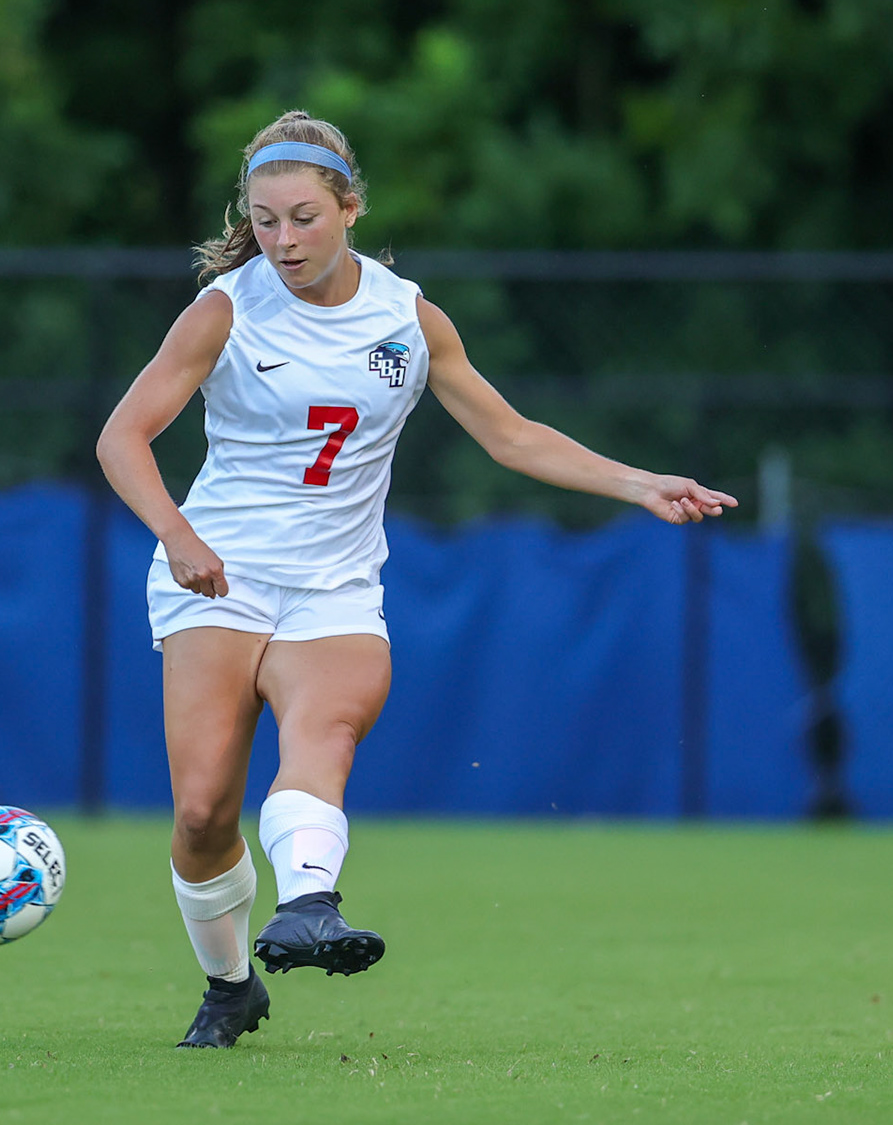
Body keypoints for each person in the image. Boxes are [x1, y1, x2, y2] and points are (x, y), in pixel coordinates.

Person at [96, 112, 737, 1049]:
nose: (284, 241)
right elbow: (122, 436)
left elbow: (511, 435)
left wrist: (640, 483)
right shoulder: (224, 311)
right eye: (266, 221)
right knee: (201, 815)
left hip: (337, 587)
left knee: (324, 730)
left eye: (305, 218)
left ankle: (310, 903)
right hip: (217, 579)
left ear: (351, 208)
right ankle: (232, 985)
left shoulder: (407, 316)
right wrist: (175, 531)